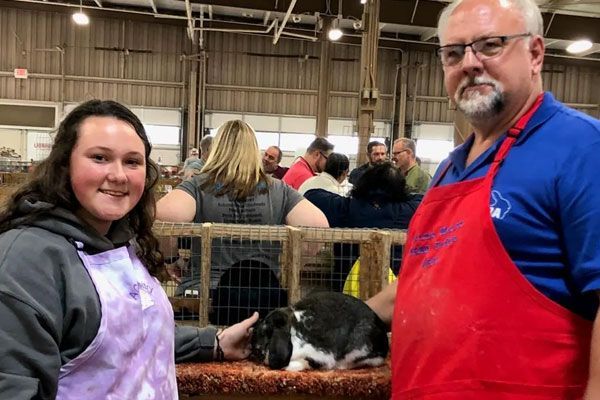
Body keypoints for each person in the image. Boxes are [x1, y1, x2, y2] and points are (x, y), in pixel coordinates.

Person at [366, 0, 600, 398]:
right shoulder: (449, 168)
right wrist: (328, 318)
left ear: (535, 53)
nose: (470, 63)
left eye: (490, 45)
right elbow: (420, 285)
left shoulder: (582, 148)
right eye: (453, 53)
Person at [0, 100, 259, 399]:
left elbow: (133, 334)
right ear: (63, 164)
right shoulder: (26, 261)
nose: (119, 175)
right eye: (100, 157)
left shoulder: (122, 244)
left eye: (132, 162)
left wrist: (214, 342)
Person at [156, 120, 328, 325]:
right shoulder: (279, 190)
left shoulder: (198, 186)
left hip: (202, 296)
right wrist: (292, 262)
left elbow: (162, 217)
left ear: (217, 148)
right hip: (263, 299)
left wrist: (172, 259)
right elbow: (319, 226)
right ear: (255, 150)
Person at [304, 162, 422, 289]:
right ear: (401, 188)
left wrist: (356, 198)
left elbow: (311, 195)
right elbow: (425, 198)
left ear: (364, 183)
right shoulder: (410, 210)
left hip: (347, 288)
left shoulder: (346, 209)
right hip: (394, 290)